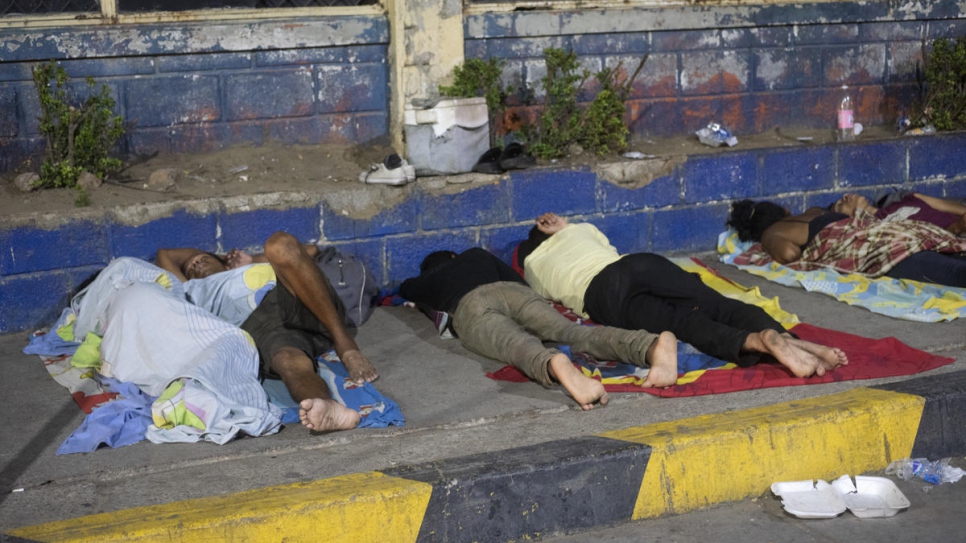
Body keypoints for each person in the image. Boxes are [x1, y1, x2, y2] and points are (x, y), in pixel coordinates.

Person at [520, 213, 848, 378]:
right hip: (637, 264)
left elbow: (549, 300)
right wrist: (564, 226)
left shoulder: (532, 267)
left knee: (685, 323)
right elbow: (593, 241)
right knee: (717, 303)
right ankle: (789, 338)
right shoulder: (580, 231)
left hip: (603, 293)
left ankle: (758, 342)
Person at [399, 248, 679, 409]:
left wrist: (425, 283)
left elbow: (407, 289)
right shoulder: (476, 255)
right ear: (453, 255)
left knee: (514, 344)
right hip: (514, 292)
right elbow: (516, 280)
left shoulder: (431, 278)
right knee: (573, 332)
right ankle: (652, 345)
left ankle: (552, 361)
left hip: (470, 305)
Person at [156, 231, 376, 433]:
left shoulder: (250, 265)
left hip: (298, 297)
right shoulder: (193, 289)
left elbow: (310, 250)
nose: (196, 265)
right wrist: (213, 259)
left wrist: (246, 260)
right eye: (191, 269)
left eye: (202, 259)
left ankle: (344, 344)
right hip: (259, 323)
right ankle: (327, 407)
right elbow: (165, 254)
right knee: (286, 359)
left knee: (278, 244)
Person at [728, 199, 966, 288]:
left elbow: (789, 255)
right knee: (946, 251)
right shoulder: (815, 210)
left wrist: (769, 246)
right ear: (783, 210)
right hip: (884, 230)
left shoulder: (772, 233)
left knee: (950, 271)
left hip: (864, 244)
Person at [832, 192, 966, 236]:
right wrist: (957, 227)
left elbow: (946, 206)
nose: (844, 196)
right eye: (839, 205)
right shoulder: (876, 229)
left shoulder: (910, 198)